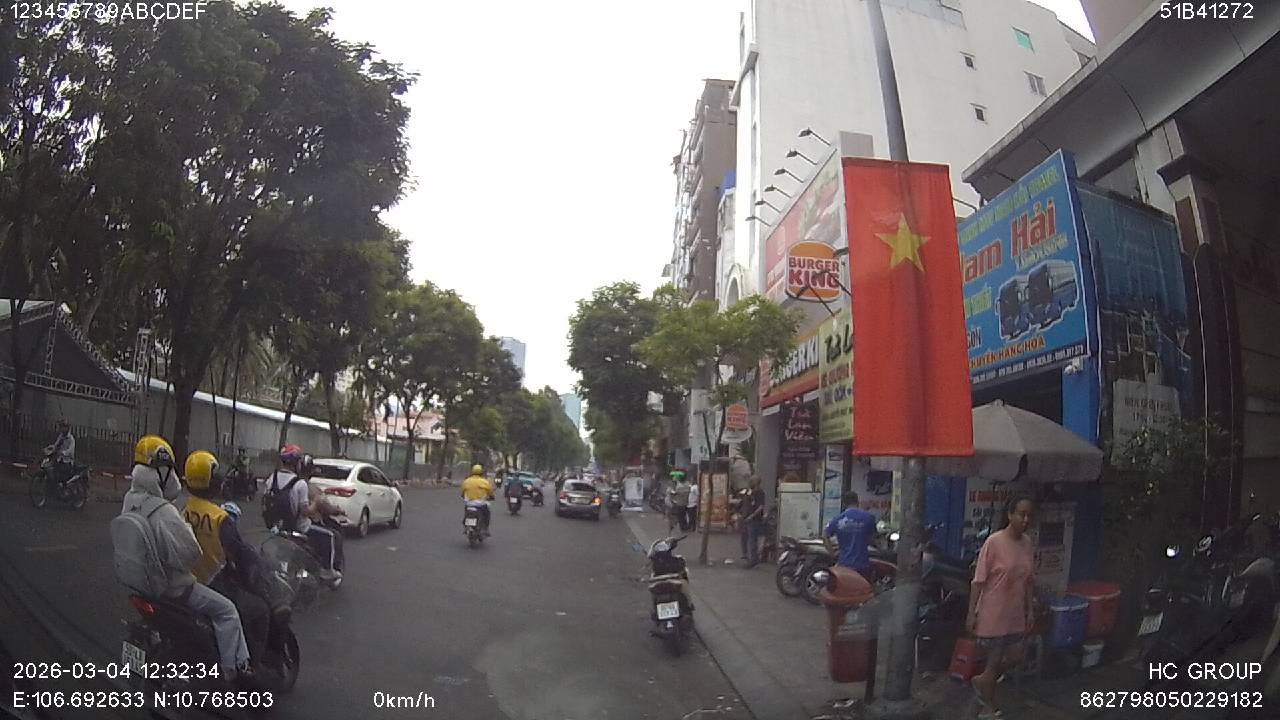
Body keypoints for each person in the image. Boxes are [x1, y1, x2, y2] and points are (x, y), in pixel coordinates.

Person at [120, 435, 253, 682]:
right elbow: (190, 554)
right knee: (228, 611)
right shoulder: (163, 511)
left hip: (144, 584)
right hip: (174, 587)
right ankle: (231, 671)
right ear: (161, 473)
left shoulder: (130, 501)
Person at [181, 450, 270, 663]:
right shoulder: (219, 518)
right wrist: (258, 564)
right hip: (213, 581)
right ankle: (244, 664)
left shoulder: (180, 509)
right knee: (259, 609)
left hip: (184, 579)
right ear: (212, 482)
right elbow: (240, 553)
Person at [967, 496, 1037, 718]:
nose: (1025, 520)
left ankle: (982, 681)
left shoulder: (1027, 543)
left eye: (1029, 516)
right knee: (994, 660)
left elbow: (1028, 580)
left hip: (1015, 613)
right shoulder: (994, 542)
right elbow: (978, 581)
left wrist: (1030, 610)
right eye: (1021, 514)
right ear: (1010, 515)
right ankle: (988, 706)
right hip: (993, 612)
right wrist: (971, 613)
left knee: (1016, 656)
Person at [265, 444, 342, 582]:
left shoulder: (272, 479)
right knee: (329, 535)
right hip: (299, 528)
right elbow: (305, 512)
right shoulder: (300, 484)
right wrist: (316, 503)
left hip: (277, 527)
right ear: (296, 463)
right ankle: (327, 570)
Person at [824, 491, 878, 581]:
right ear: (857, 502)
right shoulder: (868, 517)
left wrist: (832, 553)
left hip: (844, 565)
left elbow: (825, 535)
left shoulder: (838, 519)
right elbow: (873, 538)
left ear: (844, 504)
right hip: (862, 565)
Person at [460, 464, 495, 536]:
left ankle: (466, 527)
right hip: (481, 505)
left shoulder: (466, 481)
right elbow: (490, 493)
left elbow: (462, 493)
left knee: (466, 513)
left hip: (469, 504)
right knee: (487, 515)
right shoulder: (485, 482)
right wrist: (492, 497)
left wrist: (465, 497)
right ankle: (485, 528)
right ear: (481, 472)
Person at [740, 477, 767, 568]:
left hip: (754, 520)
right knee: (746, 538)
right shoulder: (750, 491)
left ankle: (753, 560)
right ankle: (748, 556)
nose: (749, 482)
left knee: (752, 540)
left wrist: (751, 516)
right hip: (747, 518)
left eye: (751, 481)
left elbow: (761, 506)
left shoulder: (760, 493)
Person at [47, 419, 76, 486]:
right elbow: (56, 445)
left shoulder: (71, 439)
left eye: (63, 427)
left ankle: (63, 486)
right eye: (61, 427)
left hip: (67, 461)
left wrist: (63, 453)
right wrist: (50, 448)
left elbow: (70, 450)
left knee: (62, 474)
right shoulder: (61, 436)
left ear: (67, 428)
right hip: (59, 459)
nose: (62, 429)